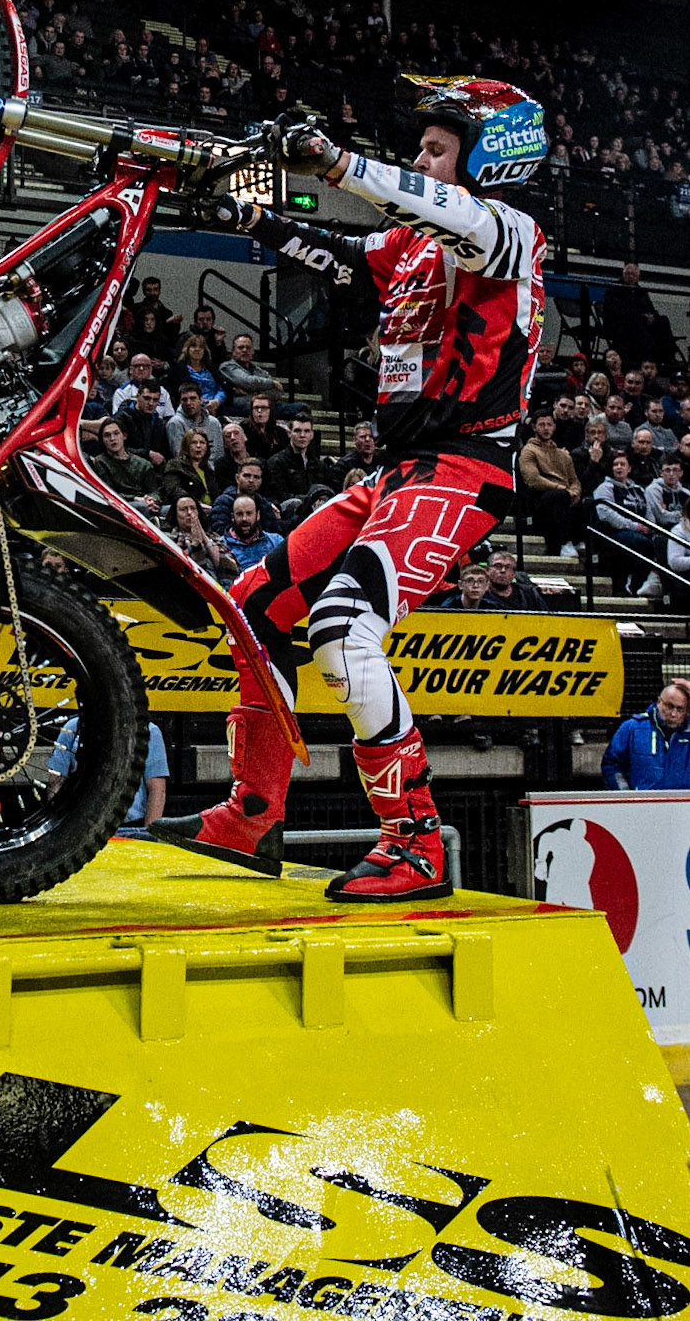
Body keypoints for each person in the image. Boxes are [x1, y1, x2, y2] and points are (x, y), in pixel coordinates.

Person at [153, 76, 549, 901]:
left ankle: (413, 844)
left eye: (437, 149)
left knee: (341, 630)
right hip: (392, 472)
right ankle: (250, 810)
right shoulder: (407, 248)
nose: (419, 160)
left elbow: (449, 217)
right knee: (254, 605)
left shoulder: (509, 232)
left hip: (463, 467)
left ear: (488, 160)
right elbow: (339, 260)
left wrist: (336, 163)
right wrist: (245, 217)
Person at [48, 715, 171, 832]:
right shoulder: (72, 728)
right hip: (82, 828)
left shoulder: (148, 732)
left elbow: (157, 791)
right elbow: (55, 783)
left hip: (128, 827)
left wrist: (148, 837)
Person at [594, 450, 664, 598]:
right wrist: (635, 526)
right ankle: (634, 583)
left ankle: (652, 582)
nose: (619, 467)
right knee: (640, 543)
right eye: (615, 464)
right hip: (614, 532)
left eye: (622, 464)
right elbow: (606, 514)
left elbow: (648, 512)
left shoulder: (638, 489)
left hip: (640, 531)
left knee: (662, 542)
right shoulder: (605, 488)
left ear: (629, 468)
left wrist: (649, 526)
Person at [601, 681, 690, 789]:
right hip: (643, 802)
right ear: (659, 702)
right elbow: (612, 765)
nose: (673, 714)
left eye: (680, 709)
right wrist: (625, 795)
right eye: (669, 706)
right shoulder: (632, 728)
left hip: (682, 803)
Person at [518, 410, 583, 558]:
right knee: (559, 496)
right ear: (534, 427)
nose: (546, 428)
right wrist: (563, 489)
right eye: (542, 425)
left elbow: (574, 480)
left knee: (586, 501)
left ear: (554, 427)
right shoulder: (529, 451)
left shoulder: (562, 454)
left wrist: (575, 491)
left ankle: (579, 541)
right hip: (541, 499)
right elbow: (532, 479)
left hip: (564, 495)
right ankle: (565, 542)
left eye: (549, 424)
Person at [92, 418, 160, 512]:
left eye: (116, 433)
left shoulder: (143, 464)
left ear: (124, 436)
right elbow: (108, 492)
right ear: (103, 440)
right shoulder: (100, 462)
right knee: (141, 507)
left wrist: (152, 499)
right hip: (120, 505)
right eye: (107, 435)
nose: (112, 438)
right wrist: (135, 498)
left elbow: (154, 490)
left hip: (145, 502)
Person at [263, 415, 331, 506]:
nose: (302, 435)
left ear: (312, 435)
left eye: (306, 431)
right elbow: (281, 496)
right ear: (289, 433)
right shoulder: (276, 462)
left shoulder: (319, 465)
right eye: (297, 431)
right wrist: (312, 499)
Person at [171, 491, 238, 579]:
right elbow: (175, 563)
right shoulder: (169, 538)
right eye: (183, 509)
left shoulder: (213, 536)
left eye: (193, 508)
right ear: (175, 514)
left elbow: (230, 566)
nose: (189, 513)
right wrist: (195, 545)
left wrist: (204, 538)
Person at [209, 459, 282, 538]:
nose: (251, 480)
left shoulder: (264, 504)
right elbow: (220, 533)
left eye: (256, 477)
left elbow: (274, 532)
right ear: (237, 478)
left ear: (261, 481)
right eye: (247, 476)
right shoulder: (223, 502)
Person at [159, 429, 217, 512]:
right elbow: (174, 490)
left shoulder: (209, 470)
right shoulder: (175, 465)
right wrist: (194, 504)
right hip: (186, 509)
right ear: (186, 446)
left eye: (202, 443)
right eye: (194, 442)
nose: (198, 446)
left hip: (210, 509)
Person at [222, 494, 284, 572]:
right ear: (232, 517)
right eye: (239, 514)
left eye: (249, 513)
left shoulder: (275, 541)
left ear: (257, 515)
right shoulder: (222, 546)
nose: (244, 519)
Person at [219, 333, 277, 415]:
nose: (245, 350)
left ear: (253, 351)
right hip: (239, 407)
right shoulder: (227, 367)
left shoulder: (259, 371)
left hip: (264, 407)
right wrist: (272, 383)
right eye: (240, 347)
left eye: (248, 348)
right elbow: (246, 381)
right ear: (233, 351)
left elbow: (277, 391)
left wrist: (254, 395)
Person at [117, 380, 171, 468]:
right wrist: (147, 454)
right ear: (138, 396)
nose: (151, 403)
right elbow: (116, 448)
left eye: (155, 400)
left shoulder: (158, 423)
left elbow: (164, 452)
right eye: (147, 398)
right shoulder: (122, 418)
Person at [166, 383, 224, 462]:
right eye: (184, 399)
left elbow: (219, 453)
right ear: (180, 402)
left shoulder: (214, 422)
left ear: (201, 400)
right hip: (188, 470)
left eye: (193, 398)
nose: (188, 403)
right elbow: (180, 455)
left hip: (214, 470)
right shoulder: (175, 423)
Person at [113, 353, 176, 421]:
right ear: (131, 369)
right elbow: (118, 419)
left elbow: (169, 417)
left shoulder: (162, 391)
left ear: (151, 370)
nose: (141, 369)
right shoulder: (122, 392)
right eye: (137, 366)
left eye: (145, 366)